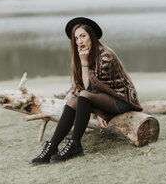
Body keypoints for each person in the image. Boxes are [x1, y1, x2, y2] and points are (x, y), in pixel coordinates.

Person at [31, 17, 142, 165]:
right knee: (71, 102)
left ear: (92, 36)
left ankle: (75, 144)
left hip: (120, 100)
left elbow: (90, 90)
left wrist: (84, 64)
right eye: (76, 38)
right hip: (101, 99)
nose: (79, 41)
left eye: (83, 36)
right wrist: (98, 111)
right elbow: (81, 89)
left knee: (83, 95)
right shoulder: (85, 55)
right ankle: (52, 147)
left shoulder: (105, 56)